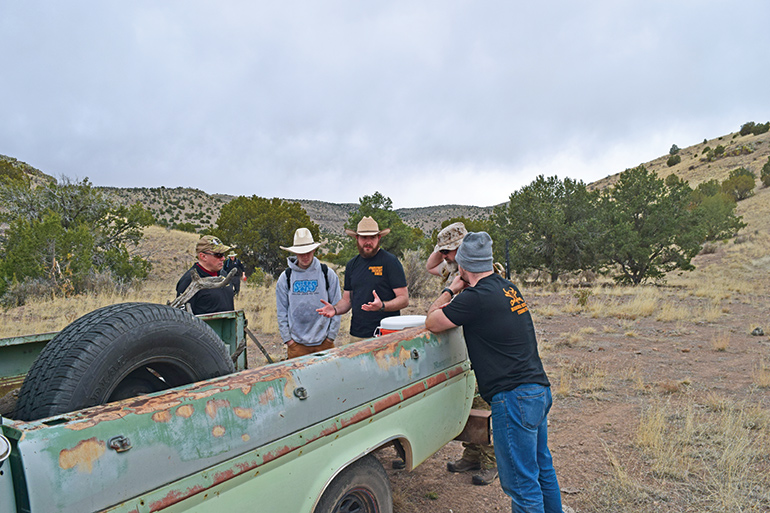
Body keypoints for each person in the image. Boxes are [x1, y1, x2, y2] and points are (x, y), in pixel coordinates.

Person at [425, 232, 562, 513]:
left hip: (513, 399)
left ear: (463, 265)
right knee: (541, 471)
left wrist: (452, 289)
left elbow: (432, 320)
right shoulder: (508, 288)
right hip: (537, 389)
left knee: (522, 487)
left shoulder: (475, 297)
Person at [428, 222, 498, 486]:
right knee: (468, 400)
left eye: (448, 250)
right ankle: (471, 453)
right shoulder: (456, 270)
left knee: (483, 404)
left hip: (483, 342)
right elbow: (430, 265)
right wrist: (445, 249)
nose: (444, 256)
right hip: (464, 343)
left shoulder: (481, 271)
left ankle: (491, 461)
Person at [317, 216, 408, 342]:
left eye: (372, 237)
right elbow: (347, 300)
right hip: (357, 334)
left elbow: (404, 299)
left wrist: (382, 306)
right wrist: (335, 309)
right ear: (357, 238)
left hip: (385, 333)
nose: (368, 242)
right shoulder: (352, 265)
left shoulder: (390, 262)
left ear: (379, 238)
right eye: (364, 237)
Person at [276, 228, 342, 359]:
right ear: (295, 252)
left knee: (327, 378)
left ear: (314, 250)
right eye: (301, 253)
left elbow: (337, 305)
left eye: (308, 252)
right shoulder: (286, 277)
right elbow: (282, 310)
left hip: (324, 343)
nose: (305, 256)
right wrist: (289, 340)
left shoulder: (327, 274)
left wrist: (330, 337)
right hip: (297, 345)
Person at [175, 235, 235, 315]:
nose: (223, 258)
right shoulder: (189, 281)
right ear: (203, 256)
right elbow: (182, 318)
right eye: (218, 255)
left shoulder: (223, 274)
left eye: (223, 254)